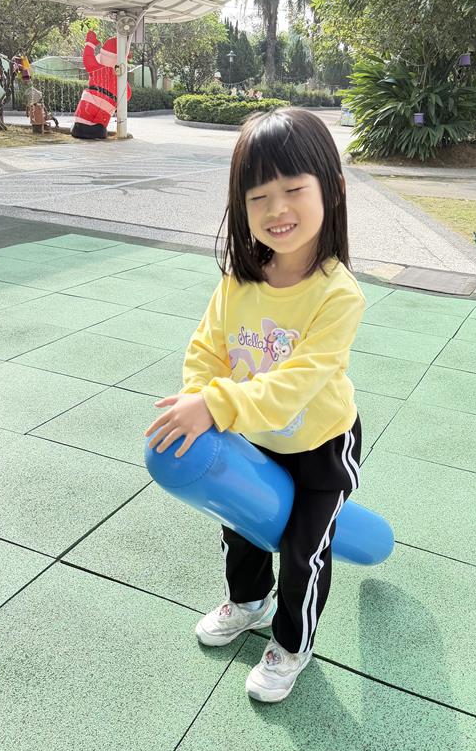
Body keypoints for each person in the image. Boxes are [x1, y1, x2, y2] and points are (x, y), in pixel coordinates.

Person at [144, 107, 365, 704]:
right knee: (240, 527)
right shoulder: (239, 280)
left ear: (332, 190)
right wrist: (199, 393)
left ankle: (291, 645)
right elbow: (206, 348)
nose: (276, 209)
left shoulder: (338, 295)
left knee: (302, 552)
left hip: (321, 447)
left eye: (293, 190)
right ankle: (248, 602)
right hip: (254, 437)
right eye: (258, 196)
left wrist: (214, 405)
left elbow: (293, 387)